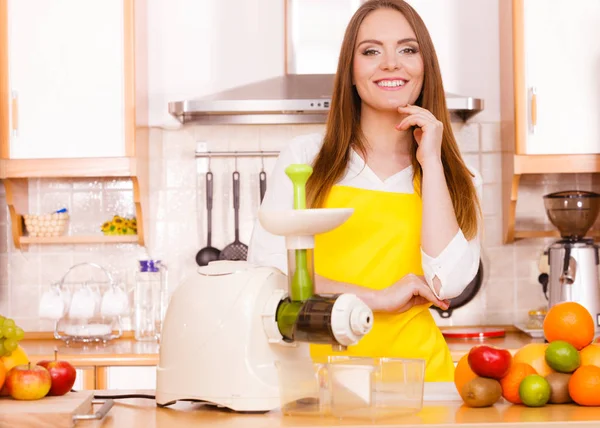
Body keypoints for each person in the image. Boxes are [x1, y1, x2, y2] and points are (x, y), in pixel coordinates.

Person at [247, 0, 482, 382]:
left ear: (425, 69)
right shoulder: (306, 159)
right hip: (318, 383)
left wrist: (434, 163)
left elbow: (447, 283)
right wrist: (375, 299)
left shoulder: (455, 176)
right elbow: (269, 274)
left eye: (408, 49)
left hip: (422, 384)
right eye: (371, 51)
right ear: (351, 73)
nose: (391, 63)